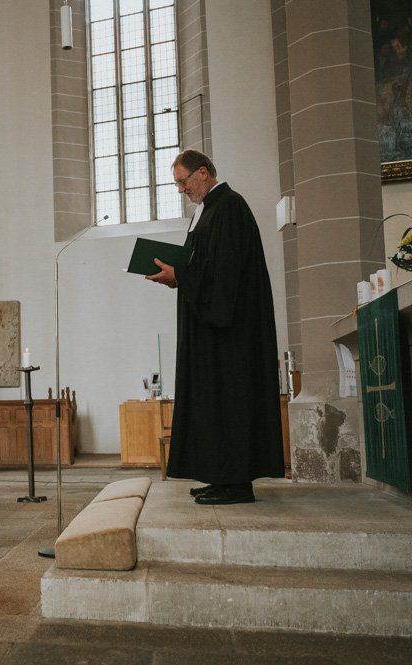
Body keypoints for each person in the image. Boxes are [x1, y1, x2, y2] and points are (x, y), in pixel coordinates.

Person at [147, 150, 284, 505]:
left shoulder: (230, 207)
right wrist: (178, 277)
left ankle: (237, 483)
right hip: (210, 331)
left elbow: (225, 273)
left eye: (182, 181)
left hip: (230, 334)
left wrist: (182, 276)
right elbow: (205, 266)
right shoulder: (208, 211)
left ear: (203, 173)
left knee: (230, 401)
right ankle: (221, 477)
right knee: (213, 401)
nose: (180, 190)